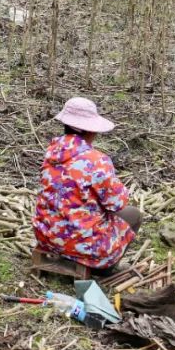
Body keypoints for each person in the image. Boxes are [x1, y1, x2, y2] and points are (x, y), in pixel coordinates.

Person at [33, 97, 142, 273]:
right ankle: (105, 268)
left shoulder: (51, 152)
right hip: (81, 244)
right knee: (134, 215)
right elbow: (117, 203)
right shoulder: (96, 161)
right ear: (90, 130)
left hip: (46, 235)